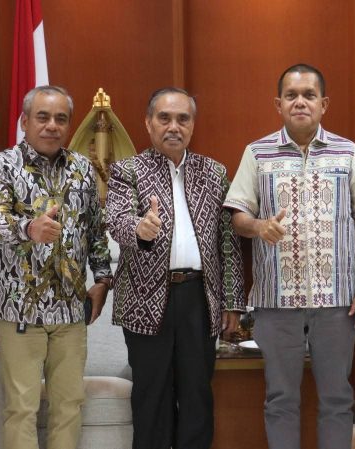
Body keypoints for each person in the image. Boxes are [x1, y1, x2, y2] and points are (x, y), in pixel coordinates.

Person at [224, 64, 355, 449]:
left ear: (323, 103)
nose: (300, 102)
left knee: (337, 398)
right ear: (278, 104)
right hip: (276, 302)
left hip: (338, 302)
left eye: (309, 95)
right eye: (291, 95)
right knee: (281, 398)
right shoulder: (257, 153)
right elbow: (237, 217)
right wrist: (260, 226)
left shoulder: (347, 152)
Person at [105, 87, 245, 449]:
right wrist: (139, 229)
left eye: (183, 119)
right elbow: (118, 220)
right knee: (152, 395)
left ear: (193, 124)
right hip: (144, 300)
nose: (173, 126)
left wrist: (233, 302)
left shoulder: (213, 172)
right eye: (164, 118)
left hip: (199, 297)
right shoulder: (127, 171)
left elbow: (227, 243)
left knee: (197, 393)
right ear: (148, 123)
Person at [0, 85, 113, 449]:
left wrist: (102, 280)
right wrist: (29, 228)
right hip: (21, 309)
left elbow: (96, 231)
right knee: (21, 409)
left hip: (71, 310)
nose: (52, 125)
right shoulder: (1, 165)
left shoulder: (83, 169)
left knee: (68, 405)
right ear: (24, 121)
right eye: (43, 117)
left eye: (60, 119)